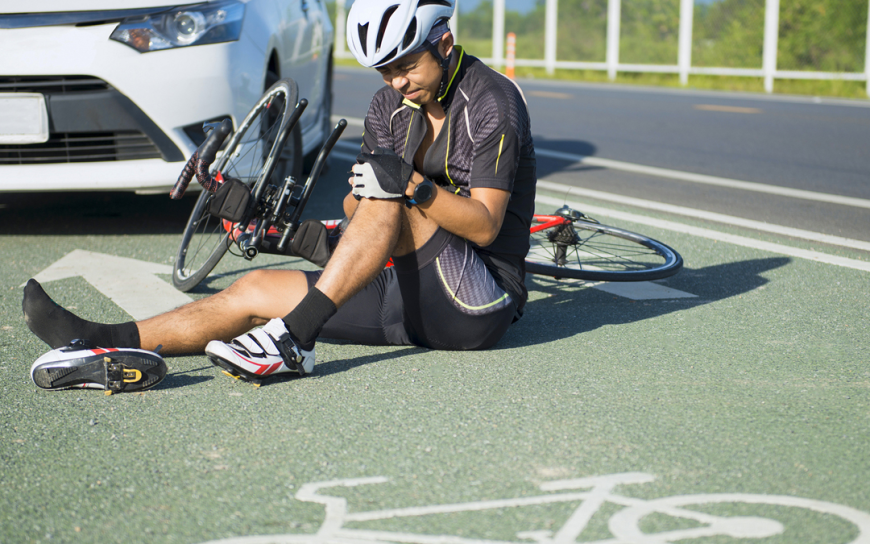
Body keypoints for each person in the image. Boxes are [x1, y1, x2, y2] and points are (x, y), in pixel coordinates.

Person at [22, 0, 537, 389]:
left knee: (388, 189)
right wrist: (370, 192)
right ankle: (95, 341)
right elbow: (355, 208)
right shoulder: (388, 106)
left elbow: (485, 224)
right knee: (253, 289)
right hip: (407, 294)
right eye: (385, 71)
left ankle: (294, 337)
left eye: (406, 66)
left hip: (477, 300)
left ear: (444, 44)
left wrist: (409, 187)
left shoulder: (492, 100)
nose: (397, 82)